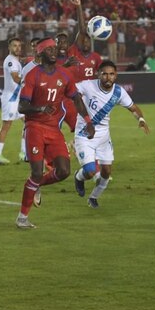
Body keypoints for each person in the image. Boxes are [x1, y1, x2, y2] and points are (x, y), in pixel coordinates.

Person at [15, 38, 94, 229]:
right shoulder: (33, 75)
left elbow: (76, 99)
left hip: (53, 130)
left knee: (64, 171)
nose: (53, 51)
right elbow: (22, 106)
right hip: (35, 127)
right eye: (48, 49)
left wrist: (88, 121)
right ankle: (22, 218)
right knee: (36, 171)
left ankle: (36, 184)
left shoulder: (65, 74)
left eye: (54, 48)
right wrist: (40, 108)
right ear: (40, 53)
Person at [73, 60, 150, 208]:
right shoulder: (87, 85)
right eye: (104, 74)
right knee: (90, 171)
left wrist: (140, 119)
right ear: (98, 74)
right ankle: (78, 177)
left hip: (103, 137)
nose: (108, 77)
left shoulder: (119, 92)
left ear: (116, 75)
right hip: (85, 134)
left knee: (106, 172)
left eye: (111, 74)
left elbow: (133, 108)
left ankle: (94, 197)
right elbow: (71, 92)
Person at [61, 0, 102, 132]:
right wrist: (78, 6)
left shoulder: (96, 57)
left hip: (89, 97)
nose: (85, 42)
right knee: (77, 126)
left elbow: (101, 74)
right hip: (73, 97)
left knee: (89, 126)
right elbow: (82, 29)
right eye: (82, 40)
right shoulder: (74, 52)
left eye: (87, 41)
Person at [0, 37, 26, 165]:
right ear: (9, 47)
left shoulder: (16, 61)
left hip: (18, 98)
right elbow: (16, 78)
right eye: (14, 45)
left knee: (28, 123)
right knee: (6, 126)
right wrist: (29, 83)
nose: (17, 48)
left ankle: (23, 153)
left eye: (19, 45)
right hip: (11, 98)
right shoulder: (10, 61)